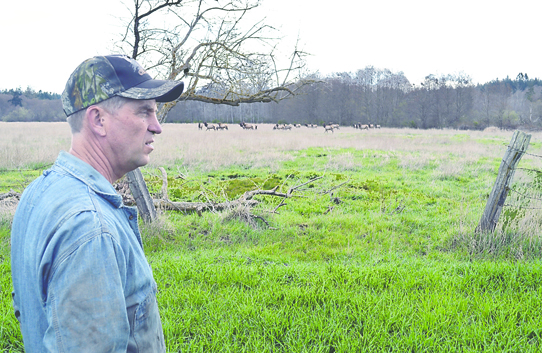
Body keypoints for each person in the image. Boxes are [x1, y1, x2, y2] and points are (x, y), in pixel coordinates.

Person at [11, 55, 184, 352]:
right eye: (144, 112)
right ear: (98, 120)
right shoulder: (91, 228)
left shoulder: (38, 192)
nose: (157, 127)